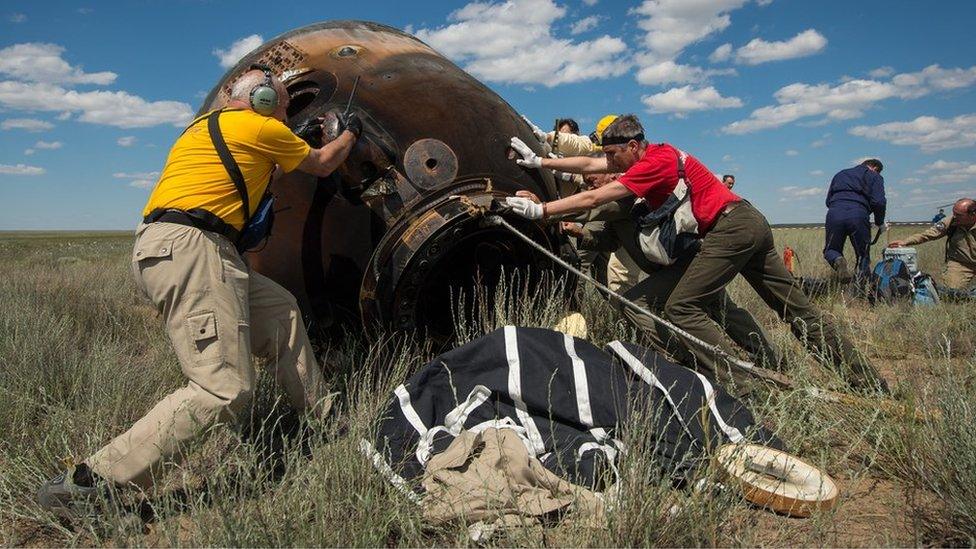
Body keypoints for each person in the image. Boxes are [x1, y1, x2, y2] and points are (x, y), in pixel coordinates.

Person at [37, 65, 362, 514]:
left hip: (180, 248)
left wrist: (288, 142)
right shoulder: (259, 125)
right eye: (283, 104)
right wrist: (349, 134)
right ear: (264, 101)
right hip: (195, 248)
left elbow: (256, 178)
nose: (285, 114)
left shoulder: (204, 130)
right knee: (223, 389)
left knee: (282, 311)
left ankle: (322, 420)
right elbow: (324, 163)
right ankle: (89, 482)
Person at [504, 114, 887, 393]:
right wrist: (541, 160)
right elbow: (590, 164)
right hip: (749, 221)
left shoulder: (653, 165)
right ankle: (867, 382)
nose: (610, 164)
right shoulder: (650, 154)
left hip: (729, 228)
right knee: (796, 310)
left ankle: (748, 386)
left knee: (681, 307)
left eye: (615, 156)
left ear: (633, 147)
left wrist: (542, 211)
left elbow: (593, 196)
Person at [890, 198, 976, 290]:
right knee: (951, 292)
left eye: (958, 215)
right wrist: (905, 242)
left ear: (972, 215)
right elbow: (929, 234)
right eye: (953, 213)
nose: (954, 216)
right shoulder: (950, 222)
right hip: (961, 263)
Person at [823, 159, 886, 281]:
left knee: (831, 250)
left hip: (834, 213)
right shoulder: (874, 176)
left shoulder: (840, 174)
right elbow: (879, 202)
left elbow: (828, 200)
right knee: (863, 255)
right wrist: (879, 222)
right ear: (874, 168)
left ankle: (838, 260)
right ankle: (862, 286)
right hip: (858, 214)